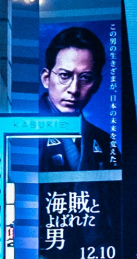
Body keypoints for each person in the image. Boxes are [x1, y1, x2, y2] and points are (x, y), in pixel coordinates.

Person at [39, 26, 121, 170]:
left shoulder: (105, 142)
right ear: (46, 78)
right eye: (64, 76)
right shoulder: (24, 132)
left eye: (85, 78)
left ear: (96, 84)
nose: (74, 89)